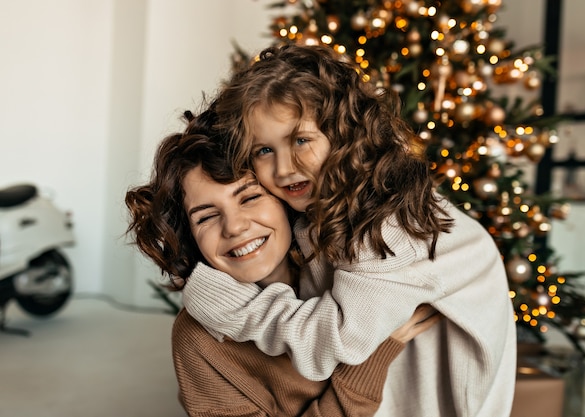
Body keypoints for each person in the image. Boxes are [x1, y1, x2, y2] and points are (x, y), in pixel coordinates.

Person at [182, 44, 517, 417]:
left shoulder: (393, 227)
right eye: (263, 151)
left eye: (301, 141)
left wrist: (231, 304)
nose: (283, 168)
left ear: (344, 134)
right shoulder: (322, 205)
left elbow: (328, 346)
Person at [124, 106, 440, 417]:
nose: (234, 226)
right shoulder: (199, 340)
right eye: (206, 217)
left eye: (249, 197)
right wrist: (373, 356)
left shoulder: (352, 267)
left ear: (286, 200)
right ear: (190, 237)